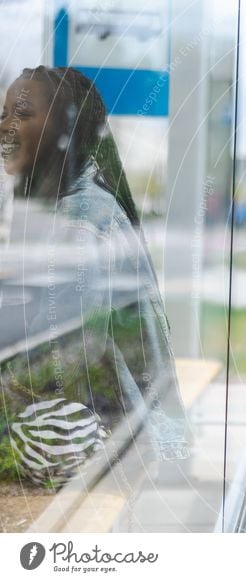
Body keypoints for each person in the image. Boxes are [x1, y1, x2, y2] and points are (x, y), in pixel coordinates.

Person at [0, 66, 188, 489]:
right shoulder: (48, 205)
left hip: (102, 426)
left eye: (23, 114)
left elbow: (62, 353)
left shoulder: (83, 219)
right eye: (4, 112)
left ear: (69, 129)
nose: (6, 127)